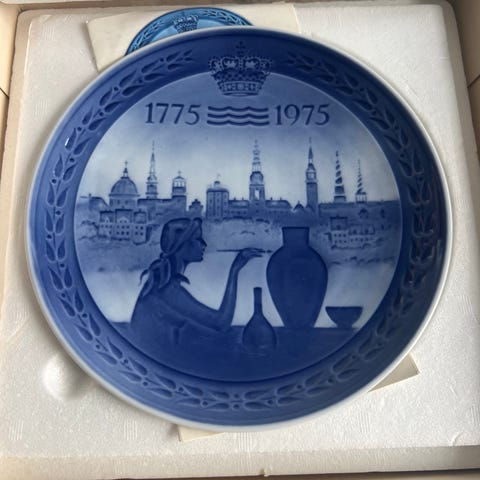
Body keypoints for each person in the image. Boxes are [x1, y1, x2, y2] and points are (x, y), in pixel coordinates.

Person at [128, 217, 261, 346]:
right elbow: (221, 323)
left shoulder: (160, 282)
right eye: (198, 239)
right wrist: (235, 269)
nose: (204, 244)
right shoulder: (166, 289)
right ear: (182, 245)